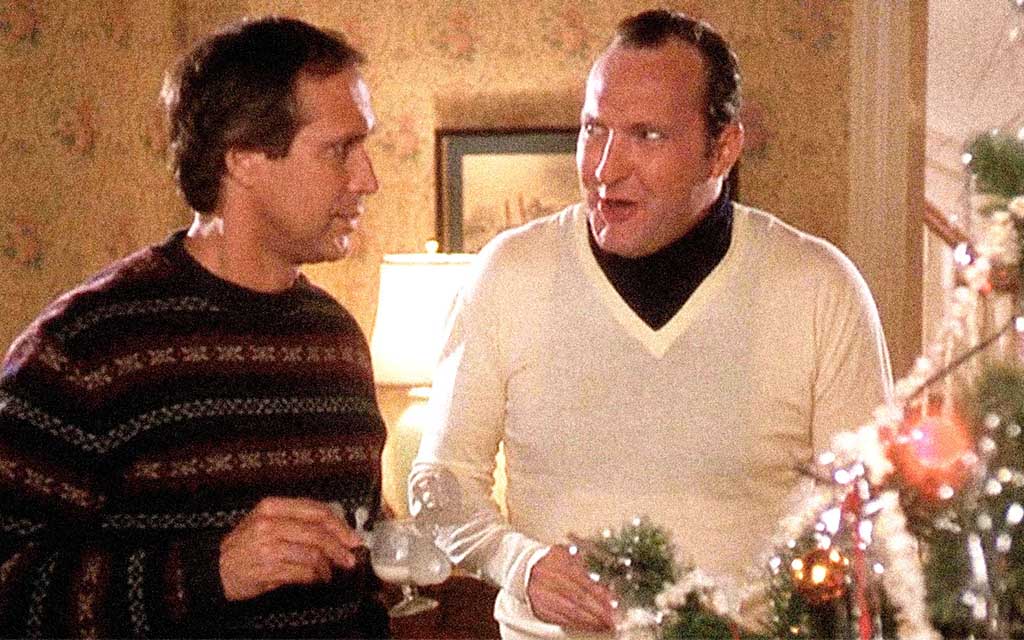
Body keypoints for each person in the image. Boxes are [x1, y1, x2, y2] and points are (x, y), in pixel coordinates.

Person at [411, 8, 893, 639]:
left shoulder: (818, 289)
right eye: (594, 129)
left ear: (723, 149)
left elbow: (864, 521)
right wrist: (521, 566)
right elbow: (439, 485)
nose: (605, 169)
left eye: (648, 136)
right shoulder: (508, 273)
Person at [0, 16, 389, 638]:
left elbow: (354, 586)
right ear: (245, 158)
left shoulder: (336, 340)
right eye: (339, 149)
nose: (367, 179)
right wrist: (212, 572)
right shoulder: (86, 348)